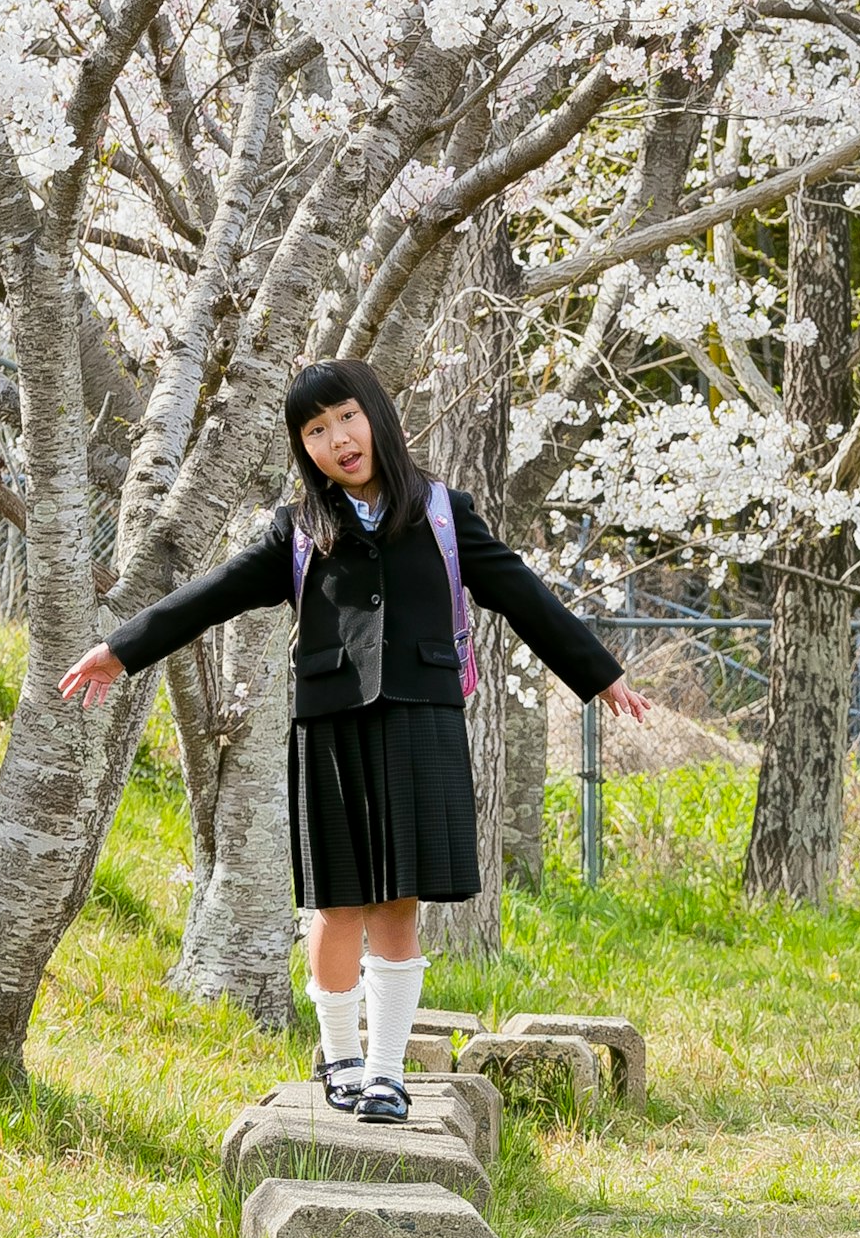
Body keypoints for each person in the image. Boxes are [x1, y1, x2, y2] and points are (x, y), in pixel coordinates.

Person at [59, 358, 650, 1124]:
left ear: (376, 415)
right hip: (331, 725)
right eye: (314, 430)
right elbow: (211, 594)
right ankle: (339, 1057)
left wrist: (598, 674)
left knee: (398, 905)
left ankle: (384, 1070)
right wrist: (122, 647)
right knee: (337, 906)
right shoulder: (299, 531)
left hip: (421, 719)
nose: (336, 439)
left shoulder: (443, 512)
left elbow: (524, 594)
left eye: (345, 418)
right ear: (302, 448)